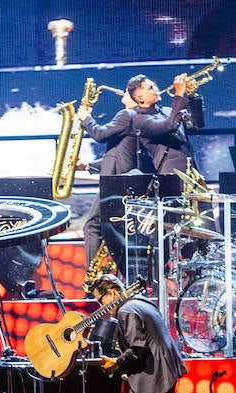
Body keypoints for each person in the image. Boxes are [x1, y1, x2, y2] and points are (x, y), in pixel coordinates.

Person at [77, 80, 187, 268]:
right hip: (121, 177)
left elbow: (100, 134)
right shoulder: (132, 118)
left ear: (137, 99)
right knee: (106, 228)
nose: (122, 95)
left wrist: (86, 118)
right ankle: (103, 276)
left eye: (127, 92)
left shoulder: (129, 115)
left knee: (93, 225)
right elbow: (119, 155)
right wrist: (87, 166)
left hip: (118, 180)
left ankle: (94, 280)